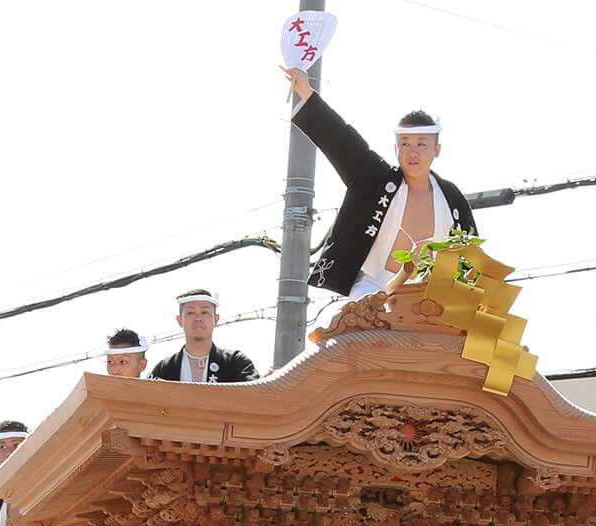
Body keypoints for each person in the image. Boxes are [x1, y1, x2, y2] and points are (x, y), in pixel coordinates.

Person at [282, 66, 479, 300]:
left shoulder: (451, 197)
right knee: (361, 325)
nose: (412, 152)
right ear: (396, 148)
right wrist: (306, 91)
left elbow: (472, 256)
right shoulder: (376, 179)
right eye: (405, 143)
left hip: (430, 298)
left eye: (421, 144)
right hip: (372, 289)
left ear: (436, 149)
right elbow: (343, 140)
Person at [147, 287, 260, 383]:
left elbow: (255, 393)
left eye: (204, 312)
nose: (198, 319)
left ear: (216, 319)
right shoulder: (164, 369)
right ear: (180, 320)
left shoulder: (236, 363)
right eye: (190, 313)